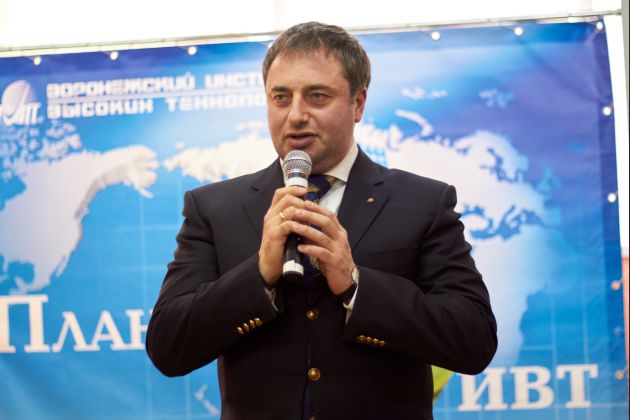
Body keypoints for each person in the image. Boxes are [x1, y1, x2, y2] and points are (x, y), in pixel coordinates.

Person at [146, 21, 497, 420]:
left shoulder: (423, 203)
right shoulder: (214, 208)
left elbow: (474, 341)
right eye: (281, 97)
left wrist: (355, 284)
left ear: (358, 104)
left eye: (317, 96)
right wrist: (259, 275)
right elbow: (168, 347)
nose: (296, 115)